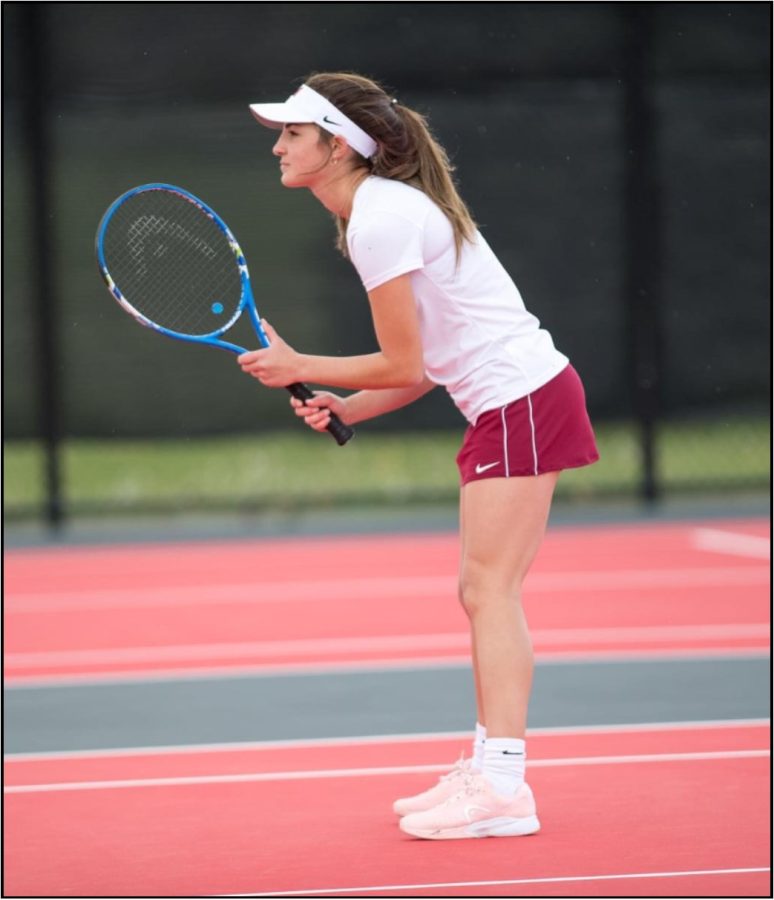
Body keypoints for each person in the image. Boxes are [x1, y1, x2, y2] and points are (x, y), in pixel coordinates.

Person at [240, 72, 599, 840]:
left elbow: (403, 363)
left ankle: (502, 785)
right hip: (510, 401)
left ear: (338, 147)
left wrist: (304, 363)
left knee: (488, 591)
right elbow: (429, 361)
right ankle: (491, 770)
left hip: (523, 399)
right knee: (482, 591)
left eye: (293, 135)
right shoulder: (380, 212)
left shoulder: (381, 219)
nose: (278, 145)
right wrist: (348, 403)